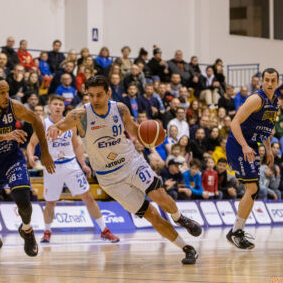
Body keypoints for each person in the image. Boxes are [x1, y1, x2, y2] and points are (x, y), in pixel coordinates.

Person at [46, 75, 201, 265]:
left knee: (159, 195)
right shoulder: (80, 115)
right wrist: (54, 128)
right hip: (109, 179)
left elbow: (135, 131)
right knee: (151, 214)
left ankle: (180, 218)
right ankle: (186, 247)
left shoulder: (119, 109)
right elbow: (61, 125)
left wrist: (152, 140)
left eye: (99, 95)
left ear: (108, 93)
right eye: (91, 95)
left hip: (131, 163)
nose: (95, 99)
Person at [0, 75, 55, 263]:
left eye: (8, 91)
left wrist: (45, 152)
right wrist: (6, 136)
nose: (7, 95)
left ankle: (27, 229)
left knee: (23, 198)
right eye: (2, 92)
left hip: (11, 159)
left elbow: (36, 120)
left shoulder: (14, 106)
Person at [27, 95, 119, 243]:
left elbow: (76, 145)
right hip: (52, 167)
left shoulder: (70, 123)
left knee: (88, 197)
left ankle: (104, 230)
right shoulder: (42, 124)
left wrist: (83, 164)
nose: (57, 107)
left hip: (71, 165)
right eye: (55, 104)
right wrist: (31, 156)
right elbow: (31, 144)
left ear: (64, 108)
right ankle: (47, 231)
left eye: (60, 105)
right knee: (50, 202)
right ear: (49, 107)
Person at [226, 68, 280, 249]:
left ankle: (236, 230)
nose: (270, 84)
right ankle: (236, 232)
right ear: (261, 81)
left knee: (254, 190)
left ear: (277, 82)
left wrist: (269, 149)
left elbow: (266, 127)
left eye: (273, 80)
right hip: (239, 144)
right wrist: (244, 145)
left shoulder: (275, 102)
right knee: (253, 187)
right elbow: (234, 123)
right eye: (267, 80)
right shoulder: (256, 99)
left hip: (253, 146)